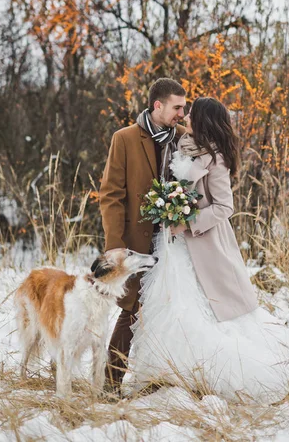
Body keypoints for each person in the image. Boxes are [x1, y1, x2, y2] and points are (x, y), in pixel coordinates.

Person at [128, 97, 289, 403]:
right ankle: (171, 373)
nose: (187, 118)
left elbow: (225, 207)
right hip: (175, 249)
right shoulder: (182, 145)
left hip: (204, 244)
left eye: (192, 114)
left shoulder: (217, 158)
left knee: (209, 311)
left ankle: (216, 374)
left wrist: (188, 223)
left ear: (204, 120)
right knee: (174, 306)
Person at [99, 78, 187, 388]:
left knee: (172, 306)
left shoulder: (182, 139)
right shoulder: (124, 139)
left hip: (172, 243)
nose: (181, 113)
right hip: (135, 243)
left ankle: (165, 378)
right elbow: (110, 195)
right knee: (131, 309)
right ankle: (110, 384)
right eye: (177, 107)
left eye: (184, 107)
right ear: (157, 105)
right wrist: (115, 246)